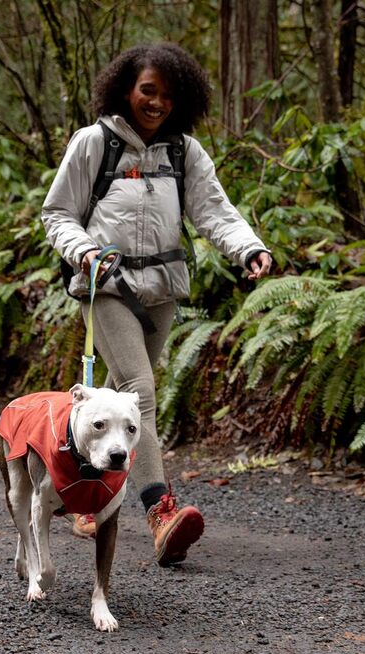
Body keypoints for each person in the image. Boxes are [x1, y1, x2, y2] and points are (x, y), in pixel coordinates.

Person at [41, 42, 272, 566]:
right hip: (105, 286)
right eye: (148, 90)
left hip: (162, 291)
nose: (157, 102)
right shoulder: (93, 143)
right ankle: (159, 512)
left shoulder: (183, 152)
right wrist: (85, 253)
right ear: (126, 88)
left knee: (122, 400)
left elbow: (214, 211)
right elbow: (57, 215)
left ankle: (87, 496)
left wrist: (249, 248)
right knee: (138, 393)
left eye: (167, 95)